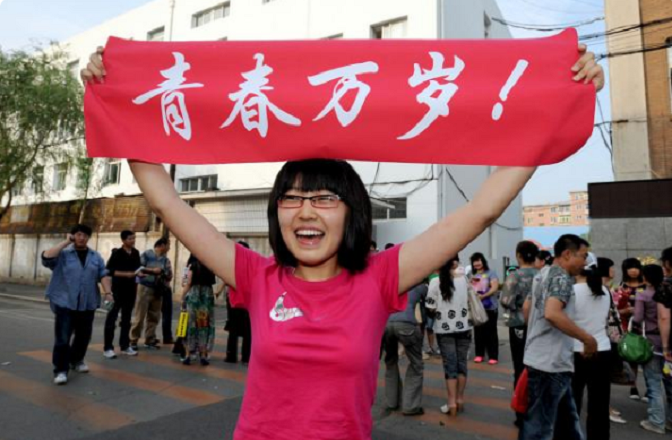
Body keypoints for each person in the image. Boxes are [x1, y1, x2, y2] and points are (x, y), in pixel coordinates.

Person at [82, 44, 603, 440]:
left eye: (325, 199)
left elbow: (482, 208)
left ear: (353, 213)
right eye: (291, 198)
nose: (306, 211)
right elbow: (170, 204)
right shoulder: (256, 276)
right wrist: (117, 94)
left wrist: (558, 101)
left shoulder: (380, 277)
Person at [520, 234, 598, 440]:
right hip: (550, 363)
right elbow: (552, 313)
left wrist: (536, 333)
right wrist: (587, 339)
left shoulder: (543, 273)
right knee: (538, 428)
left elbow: (527, 308)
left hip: (544, 359)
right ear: (567, 254)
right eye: (583, 256)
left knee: (567, 423)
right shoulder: (561, 277)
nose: (585, 262)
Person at [42, 224, 113, 385]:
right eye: (79, 234)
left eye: (85, 235)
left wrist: (108, 293)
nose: (82, 238)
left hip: (87, 303)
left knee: (83, 336)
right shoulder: (63, 254)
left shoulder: (95, 256)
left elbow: (103, 274)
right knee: (63, 338)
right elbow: (46, 258)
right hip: (65, 302)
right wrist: (66, 242)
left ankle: (76, 360)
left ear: (88, 238)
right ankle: (60, 370)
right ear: (73, 236)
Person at [571, 253, 612, 440]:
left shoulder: (571, 291)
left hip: (575, 351)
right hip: (602, 350)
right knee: (600, 404)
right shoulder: (605, 291)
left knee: (571, 402)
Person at [426, 257, 473, 416]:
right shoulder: (464, 280)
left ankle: (451, 403)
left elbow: (430, 307)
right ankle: (460, 399)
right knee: (462, 363)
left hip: (444, 329)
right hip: (464, 327)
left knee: (450, 365)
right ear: (455, 263)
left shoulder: (435, 281)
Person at [501, 240, 538, 426]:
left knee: (520, 367)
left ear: (518, 256)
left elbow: (506, 300)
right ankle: (536, 410)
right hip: (539, 326)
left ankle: (521, 413)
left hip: (518, 324)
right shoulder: (542, 275)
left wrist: (518, 304)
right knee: (536, 367)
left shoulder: (514, 276)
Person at [633, 264, 672, 434]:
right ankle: (670, 420)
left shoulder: (643, 295)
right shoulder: (668, 292)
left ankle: (656, 421)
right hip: (669, 343)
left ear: (645, 277)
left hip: (652, 343)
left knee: (653, 383)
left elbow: (638, 317)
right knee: (670, 383)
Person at [383, 280, 428, 415]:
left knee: (390, 362)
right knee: (416, 363)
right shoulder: (418, 282)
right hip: (407, 323)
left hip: (386, 324)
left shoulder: (389, 282)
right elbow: (429, 301)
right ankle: (410, 406)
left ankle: (392, 402)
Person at [597, 257, 627, 425]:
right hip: (606, 337)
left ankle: (606, 406)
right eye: (611, 267)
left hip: (609, 337)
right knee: (602, 378)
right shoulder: (601, 289)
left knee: (604, 377)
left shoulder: (607, 288)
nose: (614, 270)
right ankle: (604, 409)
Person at [103, 230, 142, 359]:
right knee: (111, 318)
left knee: (126, 319)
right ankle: (108, 348)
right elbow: (109, 270)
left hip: (131, 290)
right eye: (130, 239)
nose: (133, 241)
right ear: (123, 240)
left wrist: (140, 274)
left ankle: (125, 346)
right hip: (117, 290)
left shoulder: (136, 253)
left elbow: (137, 268)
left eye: (134, 238)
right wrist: (126, 274)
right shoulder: (117, 253)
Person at [130, 238, 173, 350]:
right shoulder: (146, 255)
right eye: (168, 245)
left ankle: (150, 339)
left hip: (158, 290)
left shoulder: (166, 260)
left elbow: (169, 274)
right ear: (162, 245)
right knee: (140, 316)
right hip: (144, 287)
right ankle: (133, 340)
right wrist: (153, 271)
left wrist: (165, 274)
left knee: (154, 316)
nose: (169, 248)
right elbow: (139, 268)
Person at [616, 257, 647, 401]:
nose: (633, 271)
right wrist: (625, 311)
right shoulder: (621, 287)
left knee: (647, 356)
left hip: (646, 325)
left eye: (636, 267)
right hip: (629, 325)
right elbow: (617, 307)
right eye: (630, 268)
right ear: (625, 270)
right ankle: (633, 386)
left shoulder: (646, 285)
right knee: (632, 356)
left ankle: (649, 389)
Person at [180, 254, 220, 366]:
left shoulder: (192, 265)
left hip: (194, 297)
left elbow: (187, 283)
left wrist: (182, 297)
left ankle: (188, 355)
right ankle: (203, 355)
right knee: (204, 326)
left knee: (190, 325)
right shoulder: (210, 265)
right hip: (206, 298)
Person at [469, 252, 500, 364]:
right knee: (478, 332)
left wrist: (483, 296)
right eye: (474, 261)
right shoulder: (471, 275)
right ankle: (479, 354)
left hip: (490, 307)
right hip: (477, 308)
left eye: (478, 260)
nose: (477, 263)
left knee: (491, 332)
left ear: (483, 261)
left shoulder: (491, 273)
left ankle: (493, 356)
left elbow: (495, 287)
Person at [225, 241, 252, 365]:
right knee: (248, 330)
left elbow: (227, 280)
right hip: (247, 302)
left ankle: (231, 356)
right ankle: (246, 357)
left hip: (234, 302)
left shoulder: (232, 265)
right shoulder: (251, 265)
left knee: (233, 329)